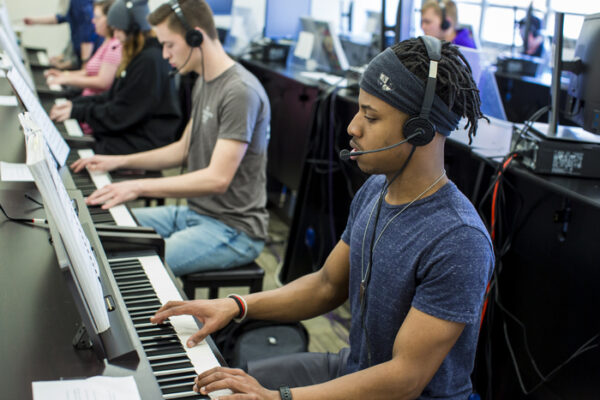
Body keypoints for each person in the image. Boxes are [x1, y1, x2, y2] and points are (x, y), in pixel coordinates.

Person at [149, 36, 495, 400]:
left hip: (398, 393)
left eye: (371, 116)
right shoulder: (376, 189)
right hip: (354, 369)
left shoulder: (458, 239)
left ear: (419, 131)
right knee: (219, 385)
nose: (353, 127)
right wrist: (237, 305)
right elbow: (327, 284)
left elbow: (404, 379)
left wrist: (279, 398)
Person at [71, 0, 270, 276]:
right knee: (101, 227)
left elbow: (217, 179)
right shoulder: (205, 80)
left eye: (169, 45)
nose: (164, 54)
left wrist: (138, 186)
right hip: (196, 213)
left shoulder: (240, 91)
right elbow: (182, 149)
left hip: (233, 228)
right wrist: (117, 161)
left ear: (195, 37)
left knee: (132, 269)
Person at [49, 0, 181, 155]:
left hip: (146, 139)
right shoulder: (139, 54)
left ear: (132, 28)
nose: (116, 35)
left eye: (118, 29)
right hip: (133, 129)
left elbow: (122, 113)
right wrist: (74, 105)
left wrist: (80, 112)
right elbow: (114, 96)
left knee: (83, 150)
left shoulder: (149, 61)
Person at [44, 0, 122, 97]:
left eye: (97, 17)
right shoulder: (107, 42)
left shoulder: (115, 46)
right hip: (86, 98)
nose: (93, 21)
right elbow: (88, 72)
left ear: (110, 20)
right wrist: (64, 75)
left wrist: (66, 79)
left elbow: (103, 82)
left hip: (90, 101)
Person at [24, 0, 103, 68]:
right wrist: (34, 21)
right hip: (82, 56)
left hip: (88, 57)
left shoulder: (79, 2)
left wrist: (84, 63)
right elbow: (61, 17)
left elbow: (87, 31)